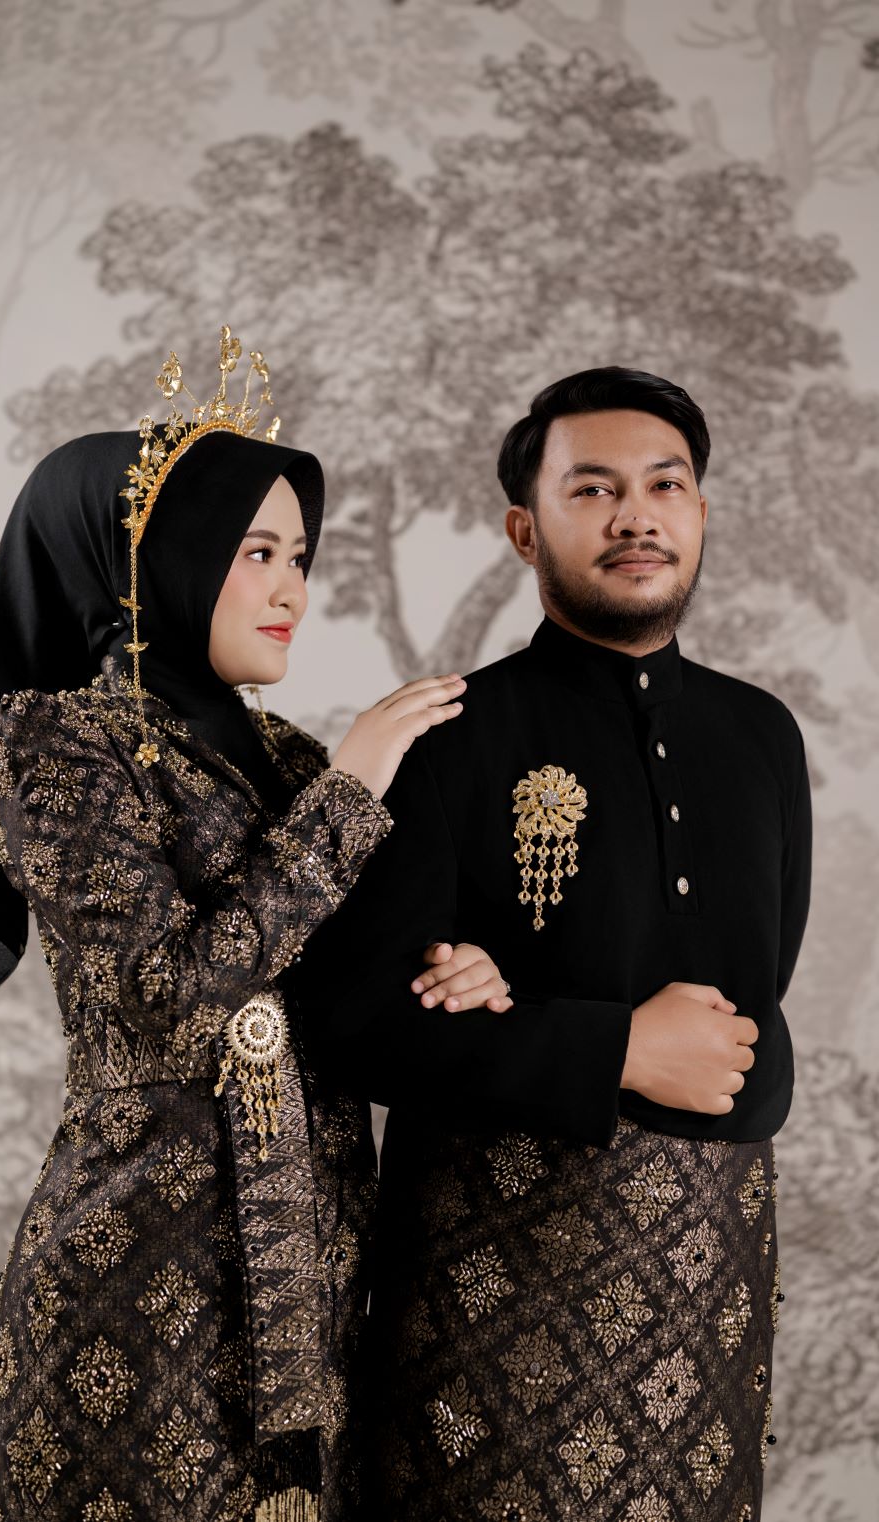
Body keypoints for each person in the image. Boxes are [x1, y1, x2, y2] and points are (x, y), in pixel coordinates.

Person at [0, 334, 510, 1522]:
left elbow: (351, 993)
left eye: (300, 556)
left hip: (313, 1298)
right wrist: (352, 794)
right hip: (138, 1290)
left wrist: (459, 969)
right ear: (160, 560)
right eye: (256, 553)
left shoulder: (294, 760)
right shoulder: (55, 738)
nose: (294, 590)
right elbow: (167, 999)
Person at [297, 367, 811, 1522]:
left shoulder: (759, 735)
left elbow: (753, 1001)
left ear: (699, 512)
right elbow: (356, 1022)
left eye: (663, 486)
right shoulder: (449, 733)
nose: (636, 516)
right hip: (494, 1313)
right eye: (592, 489)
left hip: (704, 1298)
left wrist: (546, 1018)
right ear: (524, 529)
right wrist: (614, 1047)